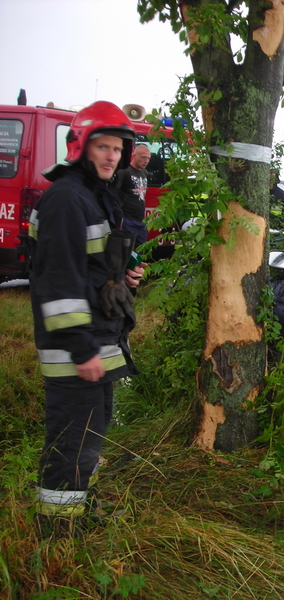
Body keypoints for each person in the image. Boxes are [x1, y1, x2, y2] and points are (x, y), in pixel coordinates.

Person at [29, 101, 147, 537]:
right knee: (70, 443)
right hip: (75, 351)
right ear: (81, 145)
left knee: (91, 437)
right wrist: (82, 349)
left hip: (98, 343)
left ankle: (81, 509)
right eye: (104, 146)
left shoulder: (95, 196)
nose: (112, 156)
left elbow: (94, 268)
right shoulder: (65, 199)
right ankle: (56, 535)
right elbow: (58, 283)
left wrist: (125, 276)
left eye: (118, 148)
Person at [118, 143, 151, 248]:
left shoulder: (145, 173)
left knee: (140, 253)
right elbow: (115, 194)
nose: (146, 161)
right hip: (127, 220)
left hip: (141, 222)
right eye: (143, 157)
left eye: (148, 158)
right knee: (127, 252)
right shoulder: (124, 172)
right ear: (134, 156)